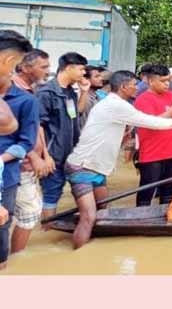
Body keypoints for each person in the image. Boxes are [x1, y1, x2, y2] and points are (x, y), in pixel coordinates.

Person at [65, 71, 172, 248]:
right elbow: (151, 122)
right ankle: (77, 258)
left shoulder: (115, 104)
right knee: (89, 217)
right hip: (83, 167)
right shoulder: (116, 105)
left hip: (97, 168)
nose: (137, 87)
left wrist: (126, 139)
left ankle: (95, 251)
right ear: (124, 87)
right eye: (134, 84)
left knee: (103, 211)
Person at [0, 29, 37, 271]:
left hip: (7, 176)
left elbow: (27, 142)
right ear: (9, 61)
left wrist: (2, 159)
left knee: (3, 226)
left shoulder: (25, 101)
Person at [10, 49, 53, 254]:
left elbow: (37, 127)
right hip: (16, 164)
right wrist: (34, 155)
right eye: (43, 67)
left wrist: (45, 153)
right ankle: (15, 259)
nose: (48, 71)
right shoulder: (14, 92)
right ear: (25, 68)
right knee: (28, 212)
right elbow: (13, 131)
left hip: (27, 163)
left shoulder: (30, 91)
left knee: (23, 212)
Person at [37, 52, 88, 221]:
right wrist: (45, 155)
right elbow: (38, 126)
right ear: (69, 68)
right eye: (81, 70)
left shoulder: (69, 92)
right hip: (53, 155)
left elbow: (76, 113)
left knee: (71, 189)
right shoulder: (47, 93)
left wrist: (84, 92)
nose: (83, 74)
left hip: (69, 154)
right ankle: (46, 231)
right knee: (51, 193)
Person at [134, 64, 172, 206]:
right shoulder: (143, 99)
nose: (167, 84)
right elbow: (153, 122)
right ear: (150, 81)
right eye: (162, 81)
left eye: (168, 80)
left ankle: (164, 218)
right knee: (148, 188)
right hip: (153, 152)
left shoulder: (171, 95)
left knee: (169, 189)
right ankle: (141, 219)